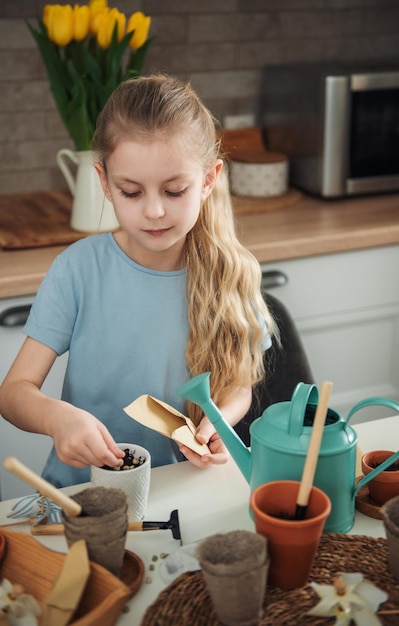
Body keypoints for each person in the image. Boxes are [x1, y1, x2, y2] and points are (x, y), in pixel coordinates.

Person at [0, 74, 275, 488]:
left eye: (174, 190)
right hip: (82, 493)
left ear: (207, 180)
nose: (154, 212)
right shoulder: (78, 270)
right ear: (105, 183)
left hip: (181, 488)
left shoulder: (232, 272)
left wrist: (220, 422)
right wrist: (56, 417)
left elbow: (239, 387)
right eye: (131, 192)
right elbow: (14, 392)